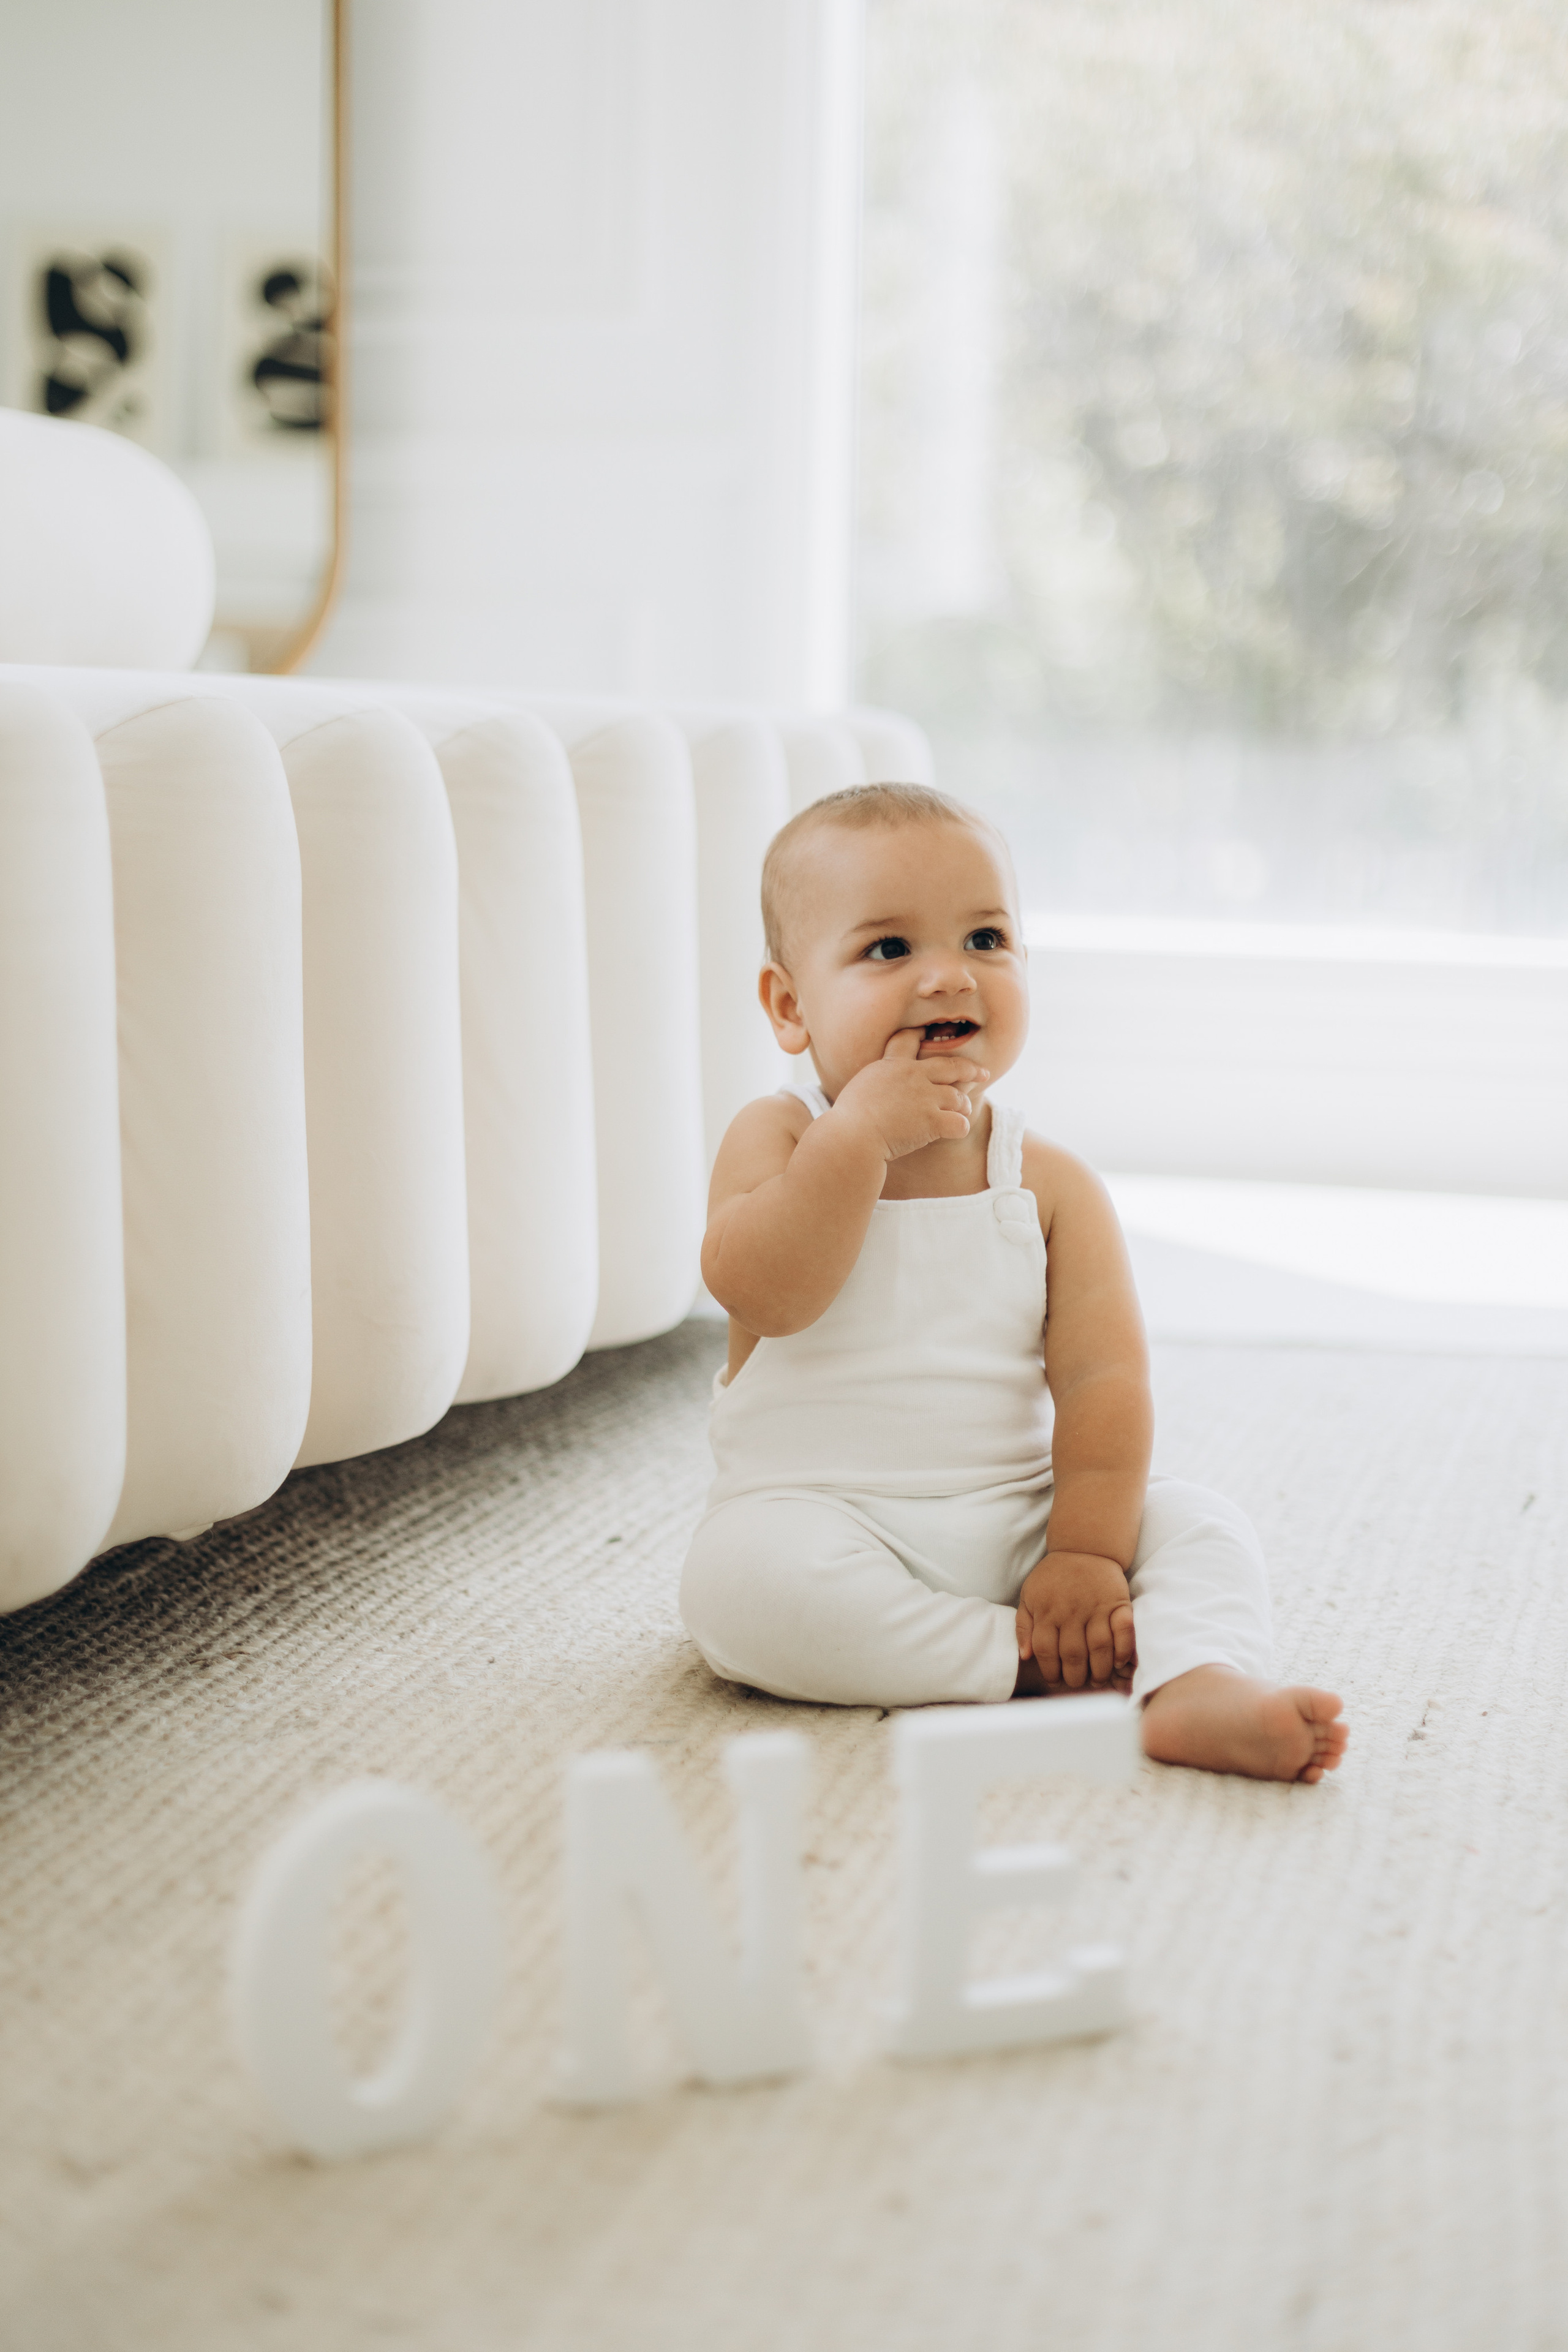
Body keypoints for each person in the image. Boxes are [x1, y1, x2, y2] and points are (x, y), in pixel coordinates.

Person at [680, 783, 1349, 1782]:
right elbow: (768, 1296)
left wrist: (1084, 1552)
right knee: (737, 1591)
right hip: (824, 1514)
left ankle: (1195, 1678)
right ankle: (1034, 1662)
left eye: (986, 939)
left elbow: (1102, 1382)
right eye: (889, 948)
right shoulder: (778, 1137)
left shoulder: (1048, 1181)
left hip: (1024, 1519)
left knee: (1203, 1524)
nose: (949, 975)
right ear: (789, 1006)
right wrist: (857, 1140)